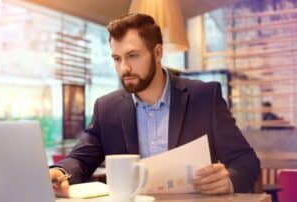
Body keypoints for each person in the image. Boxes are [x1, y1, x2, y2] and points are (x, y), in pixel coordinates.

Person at [49, 13, 260, 197]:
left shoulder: (204, 97)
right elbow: (79, 159)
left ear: (158, 53)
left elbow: (247, 161)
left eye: (133, 56)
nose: (124, 68)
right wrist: (59, 172)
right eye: (117, 58)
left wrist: (229, 180)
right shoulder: (107, 108)